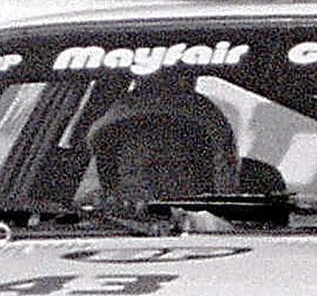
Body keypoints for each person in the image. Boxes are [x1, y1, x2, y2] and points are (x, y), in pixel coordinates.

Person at [85, 84, 240, 210]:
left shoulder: (245, 237)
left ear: (207, 174)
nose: (148, 183)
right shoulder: (89, 234)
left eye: (166, 167)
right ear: (112, 178)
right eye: (132, 171)